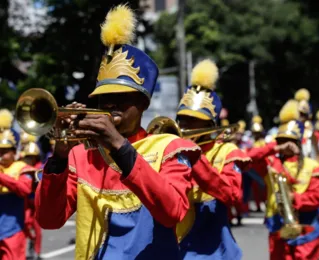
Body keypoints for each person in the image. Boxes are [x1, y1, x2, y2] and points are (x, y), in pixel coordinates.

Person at [35, 5, 201, 260]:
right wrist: (59, 156)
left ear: (144, 103)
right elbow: (48, 220)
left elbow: (173, 212)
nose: (111, 104)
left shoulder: (169, 148)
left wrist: (119, 145)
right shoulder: (80, 156)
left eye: (122, 98)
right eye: (104, 98)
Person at [175, 59, 251, 259]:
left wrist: (197, 160)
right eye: (182, 119)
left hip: (213, 249)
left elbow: (232, 195)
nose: (184, 125)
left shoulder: (227, 151)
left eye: (193, 120)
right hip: (177, 246)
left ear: (209, 124)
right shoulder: (172, 150)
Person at [247, 99, 319, 260]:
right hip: (277, 224)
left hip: (305, 225)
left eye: (289, 141)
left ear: (298, 143)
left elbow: (317, 197)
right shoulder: (270, 162)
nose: (286, 145)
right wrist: (274, 147)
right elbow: (247, 157)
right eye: (281, 140)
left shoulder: (312, 166)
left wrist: (295, 198)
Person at [0, 123, 34, 259]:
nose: (1, 154)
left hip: (13, 229)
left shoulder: (22, 168)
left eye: (5, 151)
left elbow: (24, 189)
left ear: (14, 152)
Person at [21, 142, 42, 260]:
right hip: (26, 202)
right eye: (27, 156)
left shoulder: (41, 167)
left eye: (31, 157)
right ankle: (30, 244)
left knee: (38, 228)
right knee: (25, 225)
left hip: (37, 203)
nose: (28, 159)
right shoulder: (21, 167)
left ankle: (37, 252)